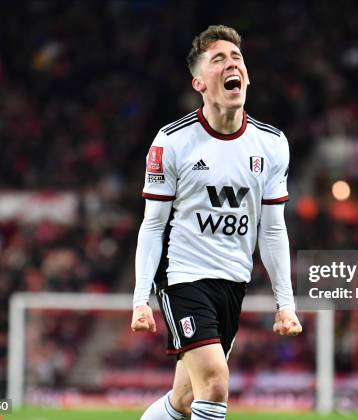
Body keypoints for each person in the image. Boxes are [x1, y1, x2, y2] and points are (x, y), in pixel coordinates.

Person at [131, 25, 302, 419]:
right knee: (215, 383)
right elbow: (153, 225)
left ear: (247, 76)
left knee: (186, 400)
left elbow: (272, 229)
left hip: (233, 280)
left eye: (237, 58)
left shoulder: (272, 144)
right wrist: (141, 298)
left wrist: (285, 304)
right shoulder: (171, 142)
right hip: (183, 274)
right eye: (219, 59)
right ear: (199, 83)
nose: (232, 64)